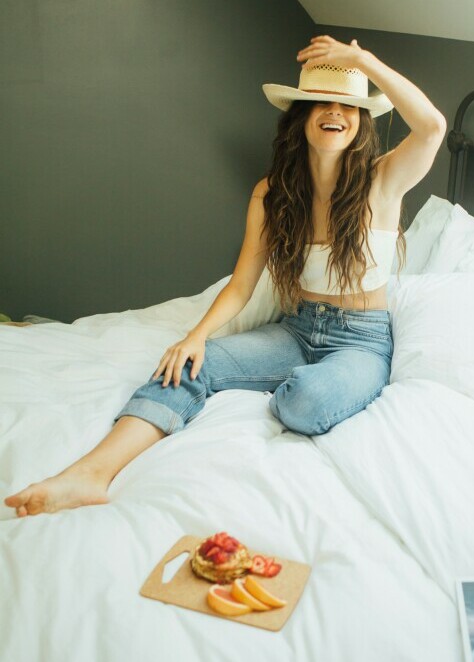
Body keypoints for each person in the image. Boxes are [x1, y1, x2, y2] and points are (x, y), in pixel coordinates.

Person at [4, 35, 446, 518]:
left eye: (347, 104)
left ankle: (306, 385)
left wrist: (361, 60)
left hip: (360, 342)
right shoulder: (272, 194)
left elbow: (431, 127)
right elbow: (241, 285)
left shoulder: (383, 181)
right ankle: (90, 473)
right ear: (300, 118)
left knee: (305, 403)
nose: (333, 111)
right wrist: (195, 338)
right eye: (319, 101)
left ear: (361, 120)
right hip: (296, 330)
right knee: (188, 366)